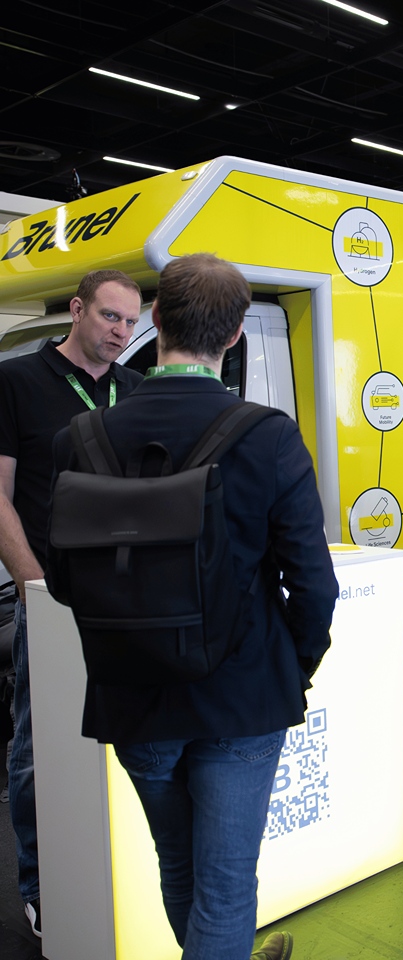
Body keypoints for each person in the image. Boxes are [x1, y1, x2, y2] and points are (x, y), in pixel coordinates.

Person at [47, 254, 338, 960]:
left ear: (154, 319)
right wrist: (291, 667)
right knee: (227, 883)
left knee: (177, 864)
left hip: (132, 694)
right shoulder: (268, 436)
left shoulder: (79, 439)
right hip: (242, 693)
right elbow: (314, 583)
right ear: (234, 334)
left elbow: (62, 580)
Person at [0, 268, 146, 938]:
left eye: (129, 323)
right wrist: (33, 588)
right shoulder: (18, 383)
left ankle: (117, 876)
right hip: (51, 600)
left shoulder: (133, 390)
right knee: (39, 747)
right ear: (77, 308)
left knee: (130, 742)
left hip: (127, 603)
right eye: (109, 317)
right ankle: (41, 887)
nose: (120, 333)